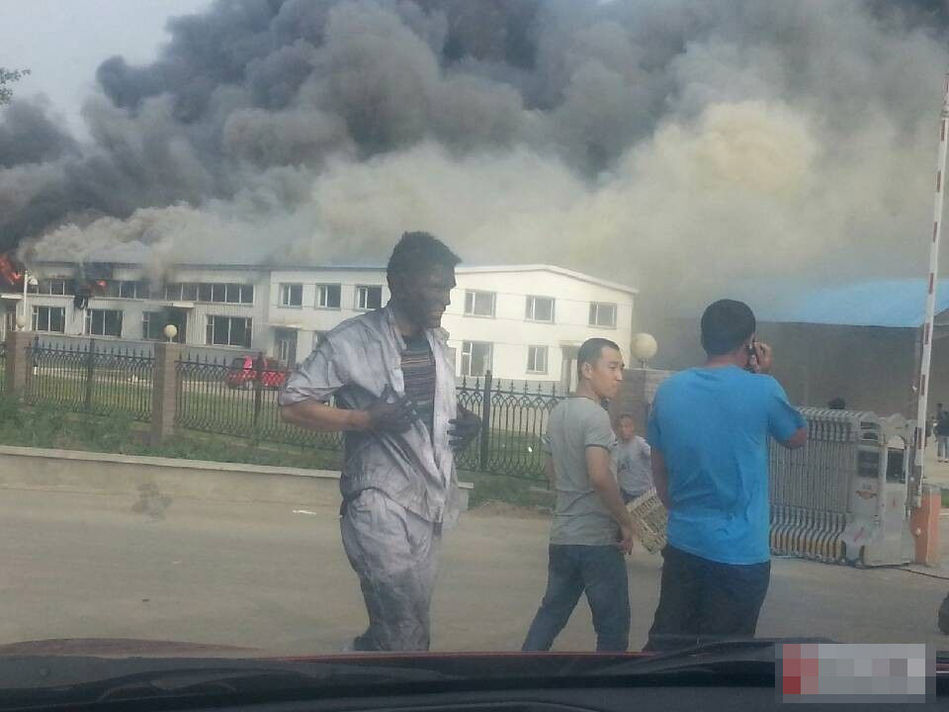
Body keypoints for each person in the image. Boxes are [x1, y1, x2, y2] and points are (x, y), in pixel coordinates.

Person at [278, 231, 481, 652]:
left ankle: (363, 658)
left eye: (449, 289)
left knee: (407, 622)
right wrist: (363, 419)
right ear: (399, 284)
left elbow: (429, 404)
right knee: (405, 628)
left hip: (429, 501)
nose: (446, 299)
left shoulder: (436, 344)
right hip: (378, 502)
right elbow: (293, 404)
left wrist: (464, 419)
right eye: (436, 287)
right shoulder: (352, 341)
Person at [644, 299, 807, 651]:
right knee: (725, 655)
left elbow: (659, 466)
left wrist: (678, 509)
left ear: (703, 337)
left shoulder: (669, 391)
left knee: (668, 650)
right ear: (750, 343)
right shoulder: (763, 389)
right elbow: (796, 437)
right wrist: (762, 375)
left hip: (684, 543)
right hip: (740, 553)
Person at [522, 338, 635, 652]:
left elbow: (550, 469)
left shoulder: (559, 412)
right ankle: (607, 682)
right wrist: (625, 522)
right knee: (613, 629)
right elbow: (599, 475)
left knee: (551, 615)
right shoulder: (596, 416)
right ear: (587, 369)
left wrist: (572, 494)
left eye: (621, 369)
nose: (619, 377)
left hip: (563, 537)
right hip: (596, 542)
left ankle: (521, 670)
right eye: (612, 367)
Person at [613, 413, 652, 504]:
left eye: (626, 426)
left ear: (632, 427)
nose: (623, 430)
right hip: (626, 493)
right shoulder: (615, 447)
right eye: (620, 427)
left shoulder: (640, 443)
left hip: (644, 491)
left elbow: (655, 457)